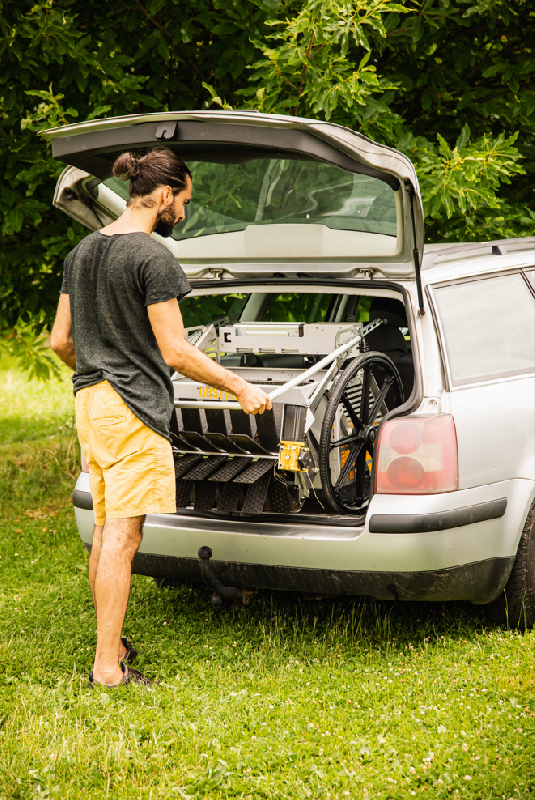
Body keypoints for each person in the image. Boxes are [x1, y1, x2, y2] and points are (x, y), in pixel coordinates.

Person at [50, 147, 271, 688]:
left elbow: (60, 341)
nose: (185, 213)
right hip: (130, 409)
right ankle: (108, 667)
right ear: (165, 194)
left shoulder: (81, 252)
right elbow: (175, 351)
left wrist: (100, 370)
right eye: (185, 202)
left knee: (106, 529)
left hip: (90, 404)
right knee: (125, 538)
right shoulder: (152, 258)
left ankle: (113, 643)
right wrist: (240, 385)